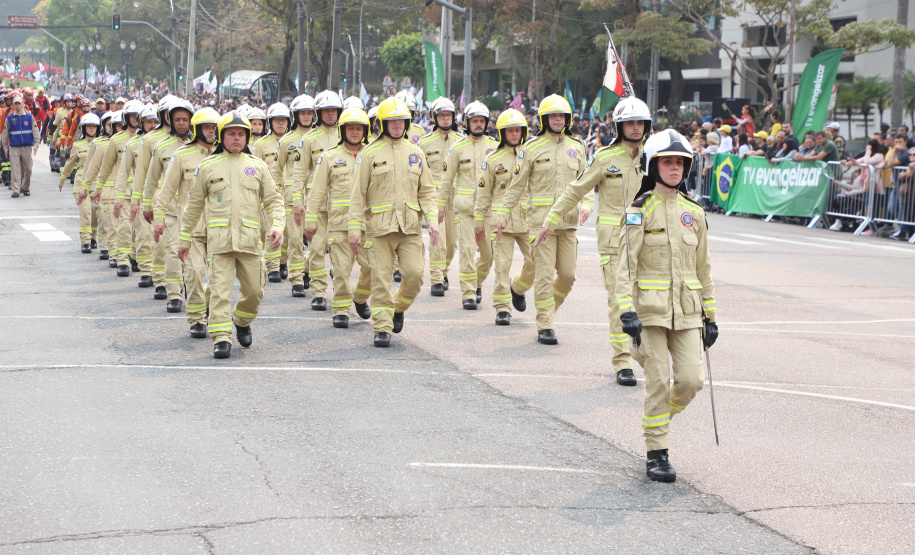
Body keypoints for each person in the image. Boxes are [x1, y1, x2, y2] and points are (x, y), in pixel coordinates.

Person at [615, 130, 717, 483]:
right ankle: (657, 452)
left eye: (679, 162)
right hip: (649, 313)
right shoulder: (639, 210)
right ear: (653, 166)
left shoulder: (695, 213)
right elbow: (625, 266)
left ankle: (654, 420)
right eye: (667, 161)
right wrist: (626, 312)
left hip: (688, 311)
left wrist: (711, 316)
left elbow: (704, 269)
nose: (674, 168)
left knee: (691, 381)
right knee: (658, 382)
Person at [178, 111, 285, 359]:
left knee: (255, 291)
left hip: (250, 242)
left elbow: (274, 201)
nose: (236, 139)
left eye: (240, 134)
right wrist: (184, 240)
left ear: (247, 137)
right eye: (231, 134)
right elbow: (193, 207)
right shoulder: (207, 167)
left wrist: (277, 225)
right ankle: (222, 338)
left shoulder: (257, 167)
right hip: (220, 242)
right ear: (221, 137)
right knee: (219, 292)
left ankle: (242, 320)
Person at [496, 94, 589, 345]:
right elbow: (516, 187)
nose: (558, 120)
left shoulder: (577, 147)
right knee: (545, 275)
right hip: (539, 224)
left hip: (568, 223)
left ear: (567, 119)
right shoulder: (532, 148)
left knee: (568, 276)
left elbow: (587, 182)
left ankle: (518, 288)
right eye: (553, 116)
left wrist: (588, 204)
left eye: (562, 116)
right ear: (544, 119)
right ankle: (545, 324)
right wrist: (503, 214)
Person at [347, 97, 440, 348]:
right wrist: (354, 229)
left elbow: (427, 192)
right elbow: (357, 196)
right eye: (392, 121)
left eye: (401, 121)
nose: (397, 125)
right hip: (379, 229)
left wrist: (432, 220)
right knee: (380, 278)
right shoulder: (369, 154)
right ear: (382, 124)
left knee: (414, 274)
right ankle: (382, 327)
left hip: (409, 228)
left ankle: (397, 308)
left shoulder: (416, 152)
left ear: (407, 123)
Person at [303, 108, 373, 328]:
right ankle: (341, 308)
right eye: (350, 128)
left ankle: (360, 297)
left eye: (359, 128)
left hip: (369, 225)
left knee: (373, 268)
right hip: (339, 224)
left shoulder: (373, 154)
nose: (354, 132)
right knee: (341, 269)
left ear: (365, 130)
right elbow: (316, 192)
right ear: (343, 130)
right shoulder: (329, 157)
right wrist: (311, 221)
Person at [153, 108, 220, 330]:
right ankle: (197, 319)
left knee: (219, 278)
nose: (211, 131)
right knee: (193, 273)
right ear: (197, 129)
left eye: (214, 127)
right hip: (191, 229)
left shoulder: (225, 155)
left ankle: (208, 305)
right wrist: (159, 219)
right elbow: (166, 190)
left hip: (221, 228)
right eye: (207, 127)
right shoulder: (182, 155)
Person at [474, 108, 534, 326]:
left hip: (529, 219)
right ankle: (502, 307)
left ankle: (517, 288)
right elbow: (482, 194)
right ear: (502, 133)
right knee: (501, 265)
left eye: (518, 130)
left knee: (537, 261)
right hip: (501, 221)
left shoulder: (533, 154)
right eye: (510, 131)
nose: (515, 134)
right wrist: (479, 221)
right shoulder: (492, 160)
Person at [438, 101, 499, 310]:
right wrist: (439, 207)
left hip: (488, 211)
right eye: (475, 121)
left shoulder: (495, 147)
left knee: (489, 256)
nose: (479, 124)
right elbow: (446, 180)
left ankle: (477, 283)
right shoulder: (457, 149)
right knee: (466, 252)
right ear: (466, 123)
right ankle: (468, 294)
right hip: (464, 211)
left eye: (482, 121)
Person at [292, 91, 344, 311]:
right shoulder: (309, 140)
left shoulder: (349, 135)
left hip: (342, 205)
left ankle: (342, 292)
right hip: (317, 206)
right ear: (319, 113)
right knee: (316, 250)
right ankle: (319, 292)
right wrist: (297, 202)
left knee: (342, 253)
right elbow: (299, 173)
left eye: (334, 110)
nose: (330, 114)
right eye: (326, 110)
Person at [144, 99, 197, 310]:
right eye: (177, 120)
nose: (182, 123)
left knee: (196, 259)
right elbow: (151, 179)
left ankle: (194, 290)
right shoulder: (162, 147)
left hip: (197, 213)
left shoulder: (202, 148)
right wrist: (148, 206)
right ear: (170, 121)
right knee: (173, 252)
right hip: (171, 211)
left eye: (185, 119)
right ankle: (174, 294)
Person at [272, 94, 315, 297]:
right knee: (296, 241)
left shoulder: (318, 138)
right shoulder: (286, 141)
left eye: (309, 113)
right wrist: (274, 195)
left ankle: (307, 269)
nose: (306, 117)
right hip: (291, 200)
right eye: (302, 113)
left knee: (318, 243)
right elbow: (276, 170)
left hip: (317, 199)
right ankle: (297, 279)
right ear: (295, 116)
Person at [419, 97, 463, 296]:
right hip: (434, 199)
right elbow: (418, 173)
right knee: (438, 239)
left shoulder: (462, 141)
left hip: (456, 199)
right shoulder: (424, 143)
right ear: (434, 118)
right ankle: (436, 278)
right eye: (441, 115)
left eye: (448, 115)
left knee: (452, 244)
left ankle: (443, 271)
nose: (445, 119)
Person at [253, 102, 291, 282]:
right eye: (277, 121)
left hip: (290, 193)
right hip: (269, 194)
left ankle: (283, 262)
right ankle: (273, 267)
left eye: (284, 120)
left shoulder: (295, 142)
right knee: (270, 229)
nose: (281, 124)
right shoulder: (261, 144)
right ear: (270, 122)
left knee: (290, 232)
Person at [59, 113, 100, 252]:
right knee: (86, 211)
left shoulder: (102, 143)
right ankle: (85, 241)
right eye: (89, 126)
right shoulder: (78, 145)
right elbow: (70, 163)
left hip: (97, 183)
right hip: (80, 184)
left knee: (95, 213)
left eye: (94, 126)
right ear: (83, 128)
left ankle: (93, 237)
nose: (91, 129)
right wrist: (62, 178)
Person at [1, 95, 40, 198]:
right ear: (13, 105)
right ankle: (15, 190)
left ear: (23, 104)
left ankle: (25, 187)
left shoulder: (29, 117)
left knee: (28, 168)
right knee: (15, 169)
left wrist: (36, 144)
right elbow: (5, 133)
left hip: (27, 147)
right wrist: (5, 146)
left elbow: (35, 131)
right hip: (14, 147)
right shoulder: (9, 118)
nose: (17, 105)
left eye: (19, 103)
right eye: (15, 103)